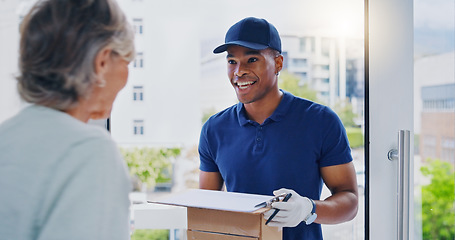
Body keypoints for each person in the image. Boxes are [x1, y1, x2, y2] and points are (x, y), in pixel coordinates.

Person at [198, 17, 358, 239]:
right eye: (232, 61)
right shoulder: (214, 130)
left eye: (252, 59)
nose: (239, 71)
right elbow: (205, 208)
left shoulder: (320, 121)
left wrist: (308, 209)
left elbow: (349, 199)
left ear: (279, 63)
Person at [0, 0, 135, 239]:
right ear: (102, 62)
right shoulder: (89, 151)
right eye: (126, 60)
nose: (127, 75)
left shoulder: (6, 138)